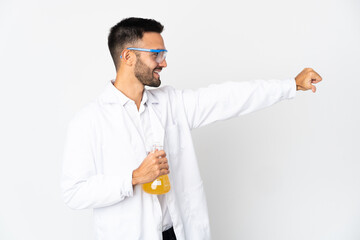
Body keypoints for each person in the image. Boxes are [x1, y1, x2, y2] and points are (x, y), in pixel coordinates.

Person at [61, 17, 322, 240]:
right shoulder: (89, 121)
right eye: (156, 55)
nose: (163, 63)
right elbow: (74, 193)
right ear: (128, 56)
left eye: (163, 55)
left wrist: (291, 85)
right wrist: (134, 178)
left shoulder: (171, 103)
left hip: (177, 231)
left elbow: (227, 97)